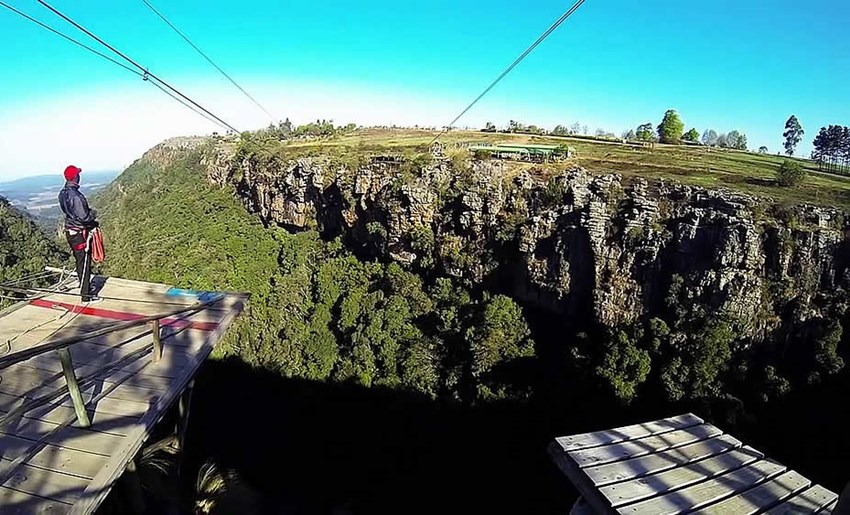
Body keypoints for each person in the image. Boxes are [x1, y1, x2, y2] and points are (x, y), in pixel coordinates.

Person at [58, 165, 100, 303]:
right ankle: (86, 295)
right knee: (85, 262)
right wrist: (93, 214)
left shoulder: (63, 193)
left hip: (71, 231)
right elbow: (84, 217)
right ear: (76, 177)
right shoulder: (75, 196)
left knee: (79, 260)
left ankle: (84, 286)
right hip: (79, 233)